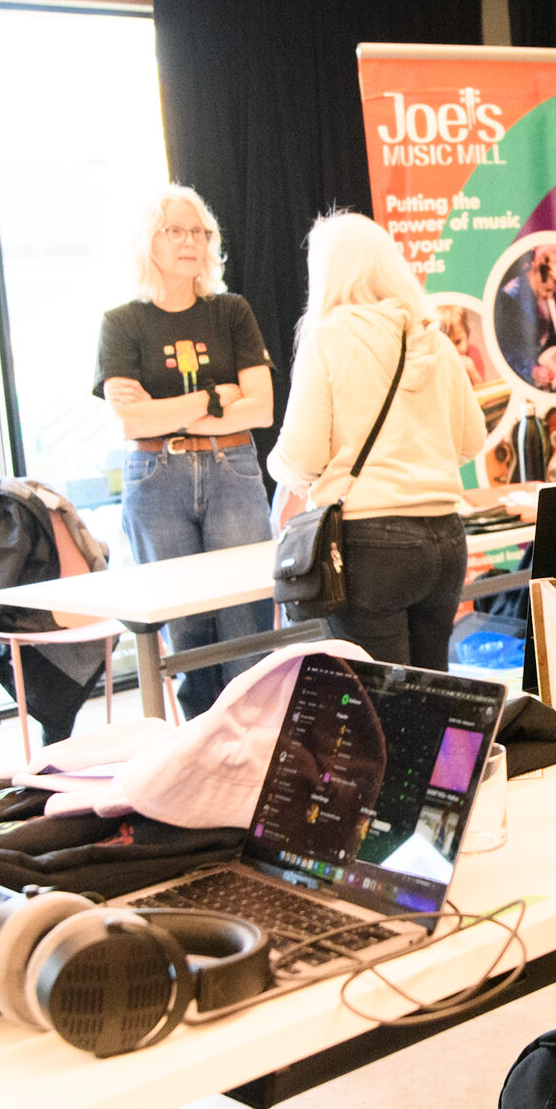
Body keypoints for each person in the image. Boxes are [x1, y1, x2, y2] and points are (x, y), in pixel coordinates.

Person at [269, 213, 485, 669]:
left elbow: (303, 457)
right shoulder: (436, 342)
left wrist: (279, 468)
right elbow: (471, 440)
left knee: (380, 705)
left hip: (370, 544)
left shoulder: (327, 340)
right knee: (432, 692)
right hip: (446, 537)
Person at [94, 185, 275, 716]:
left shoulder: (231, 312)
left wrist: (165, 406)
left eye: (199, 232)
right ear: (148, 241)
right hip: (155, 474)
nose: (190, 241)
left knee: (247, 616)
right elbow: (130, 418)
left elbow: (261, 408)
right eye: (176, 230)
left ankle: (257, 743)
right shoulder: (122, 323)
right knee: (187, 630)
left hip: (232, 468)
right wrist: (214, 398)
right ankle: (202, 747)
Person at [492, 245, 556, 390]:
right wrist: (532, 371)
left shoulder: (551, 294)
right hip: (525, 385)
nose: (550, 295)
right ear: (538, 271)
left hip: (549, 374)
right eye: (550, 288)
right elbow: (507, 348)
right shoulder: (511, 296)